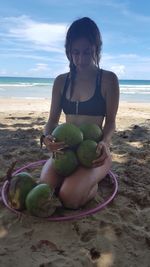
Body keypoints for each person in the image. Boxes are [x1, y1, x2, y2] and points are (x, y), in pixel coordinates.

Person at [40, 17, 119, 209]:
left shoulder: (108, 80)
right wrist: (46, 138)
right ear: (68, 51)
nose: (80, 59)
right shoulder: (61, 81)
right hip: (65, 152)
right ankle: (79, 182)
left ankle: (91, 185)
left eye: (87, 52)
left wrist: (105, 143)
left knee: (68, 198)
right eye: (75, 52)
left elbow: (110, 123)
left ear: (96, 49)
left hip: (94, 153)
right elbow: (51, 121)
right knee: (45, 189)